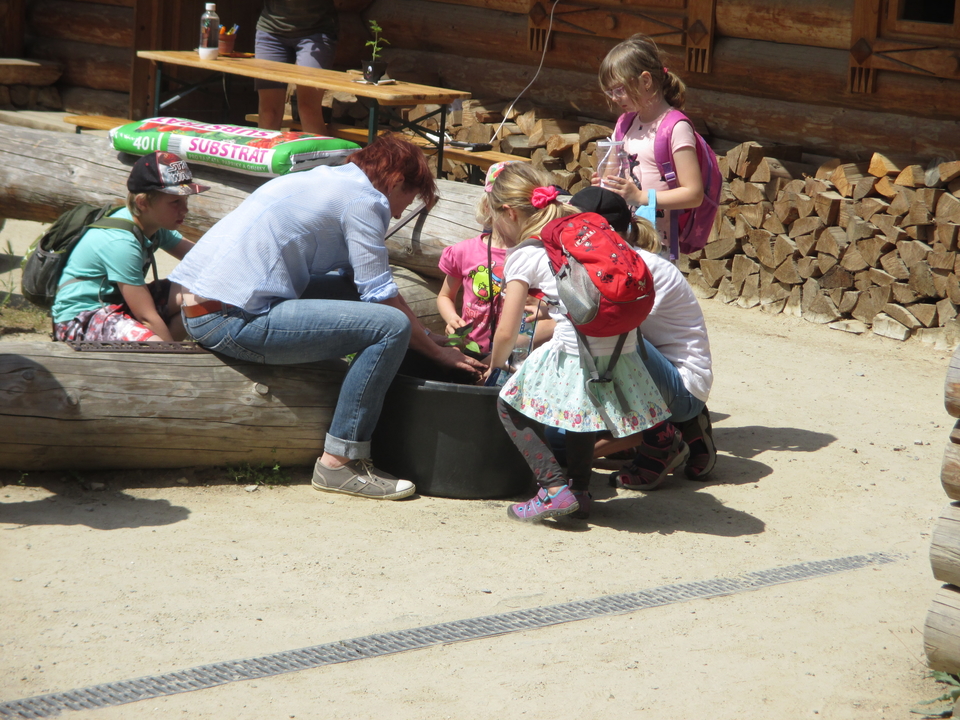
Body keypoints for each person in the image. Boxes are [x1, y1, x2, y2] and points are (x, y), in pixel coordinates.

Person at [170, 134, 484, 502]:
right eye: (408, 199)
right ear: (397, 181)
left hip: (203, 306)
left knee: (368, 303)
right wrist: (437, 353)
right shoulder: (364, 200)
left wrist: (426, 337)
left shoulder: (330, 178)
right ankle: (340, 461)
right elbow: (381, 296)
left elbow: (362, 283)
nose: (400, 212)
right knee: (391, 327)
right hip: (229, 319)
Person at [481, 163, 670, 522]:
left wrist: (496, 364)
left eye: (496, 218)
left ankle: (553, 490)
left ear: (509, 212)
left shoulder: (526, 253)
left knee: (509, 404)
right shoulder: (582, 230)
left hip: (574, 350)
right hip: (622, 345)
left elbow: (506, 332)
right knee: (581, 412)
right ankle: (580, 491)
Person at [568, 186, 716, 487]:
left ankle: (664, 439)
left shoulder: (641, 269)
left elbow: (594, 328)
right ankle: (676, 431)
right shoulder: (603, 264)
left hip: (682, 389)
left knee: (604, 338)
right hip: (658, 376)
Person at [52, 151, 204, 343]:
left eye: (186, 200)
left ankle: (155, 356)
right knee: (154, 341)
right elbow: (146, 317)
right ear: (142, 203)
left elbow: (203, 260)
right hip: (81, 319)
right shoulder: (121, 242)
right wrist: (172, 354)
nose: (185, 209)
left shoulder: (154, 224)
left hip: (119, 306)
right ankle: (163, 358)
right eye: (175, 202)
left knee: (201, 293)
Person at [594, 33, 704, 259]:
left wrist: (641, 197)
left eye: (619, 90)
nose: (614, 98)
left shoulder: (676, 127)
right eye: (609, 92)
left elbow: (694, 194)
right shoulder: (624, 123)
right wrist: (603, 185)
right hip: (622, 238)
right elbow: (611, 176)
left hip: (657, 245)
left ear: (645, 81)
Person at [436, 165, 511, 354]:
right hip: (471, 349)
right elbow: (445, 296)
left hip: (513, 355)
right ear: (487, 207)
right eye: (502, 205)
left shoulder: (532, 255)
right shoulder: (464, 251)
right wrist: (452, 318)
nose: (510, 212)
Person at [255, 0, 338, 135]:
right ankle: (264, 148)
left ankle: (317, 149)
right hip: (271, 32)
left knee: (308, 109)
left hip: (316, 31)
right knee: (269, 112)